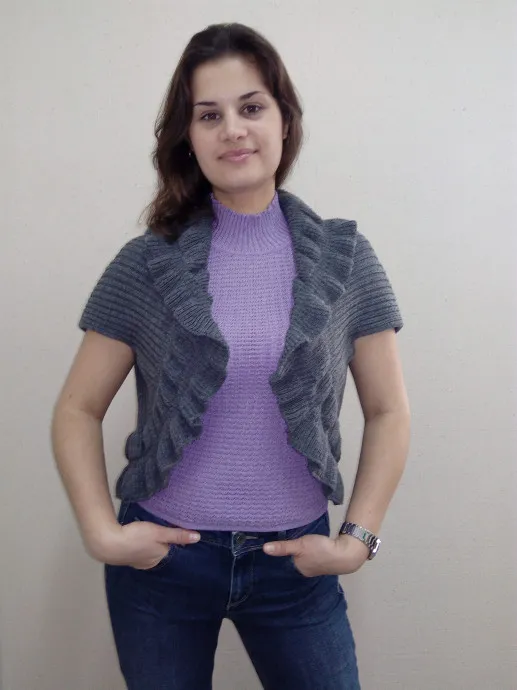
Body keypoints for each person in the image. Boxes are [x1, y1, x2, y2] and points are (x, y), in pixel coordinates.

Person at [51, 22, 410, 690]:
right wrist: (102, 533)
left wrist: (357, 540)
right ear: (187, 137)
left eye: (251, 107)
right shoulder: (147, 264)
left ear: (284, 120)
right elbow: (77, 408)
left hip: (295, 565)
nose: (233, 130)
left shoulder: (346, 260)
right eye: (209, 115)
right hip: (165, 563)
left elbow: (388, 410)